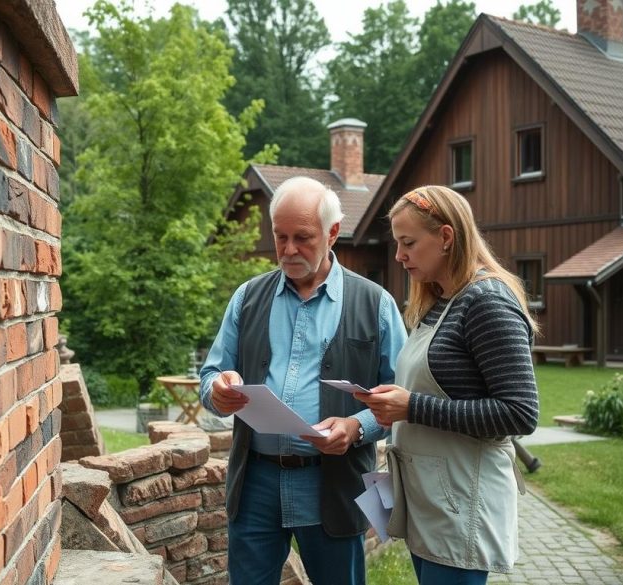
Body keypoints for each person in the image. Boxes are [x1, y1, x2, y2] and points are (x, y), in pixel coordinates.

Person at [199, 176, 406, 585]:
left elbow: (403, 399)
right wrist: (217, 392)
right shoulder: (247, 297)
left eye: (302, 237)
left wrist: (356, 426)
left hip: (338, 482)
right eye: (281, 237)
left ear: (332, 233)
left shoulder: (376, 304)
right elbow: (210, 375)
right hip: (256, 481)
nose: (289, 249)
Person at [358, 185, 539, 585]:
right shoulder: (441, 301)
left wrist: (412, 407)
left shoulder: (487, 302)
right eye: (397, 243)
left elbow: (520, 413)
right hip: (432, 499)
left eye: (408, 243)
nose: (399, 256)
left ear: (445, 237)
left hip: (462, 502)